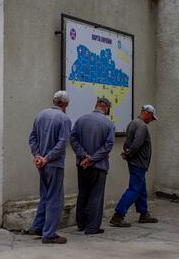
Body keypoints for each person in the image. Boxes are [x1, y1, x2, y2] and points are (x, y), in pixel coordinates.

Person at [28, 91, 72, 244]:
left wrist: (38, 156)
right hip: (54, 163)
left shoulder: (40, 115)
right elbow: (61, 144)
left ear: (54, 101)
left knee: (45, 195)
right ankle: (49, 234)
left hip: (41, 163)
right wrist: (46, 158)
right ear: (65, 104)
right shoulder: (64, 118)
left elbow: (32, 138)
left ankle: (38, 226)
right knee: (55, 198)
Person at [70, 97, 115, 234]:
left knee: (83, 192)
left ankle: (81, 223)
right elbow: (108, 145)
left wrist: (84, 156)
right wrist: (93, 159)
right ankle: (92, 227)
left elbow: (73, 139)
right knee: (96, 195)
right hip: (99, 165)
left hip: (82, 164)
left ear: (96, 105)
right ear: (106, 108)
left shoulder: (81, 119)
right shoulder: (109, 123)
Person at [110, 105, 159, 227]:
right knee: (134, 189)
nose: (151, 120)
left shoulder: (132, 123)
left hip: (134, 162)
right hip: (139, 163)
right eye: (152, 117)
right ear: (147, 113)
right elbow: (137, 144)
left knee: (141, 188)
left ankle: (144, 213)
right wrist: (129, 153)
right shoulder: (142, 126)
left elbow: (127, 143)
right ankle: (118, 215)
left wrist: (127, 153)